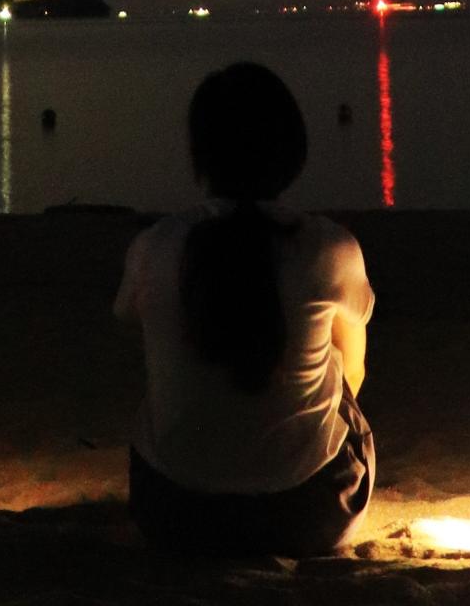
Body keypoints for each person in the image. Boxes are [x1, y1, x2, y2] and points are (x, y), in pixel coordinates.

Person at [113, 62, 376, 556]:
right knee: (336, 363)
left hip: (172, 514)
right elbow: (353, 376)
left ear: (200, 154)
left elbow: (131, 329)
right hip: (308, 512)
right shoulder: (329, 249)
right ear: (291, 149)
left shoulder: (155, 246)